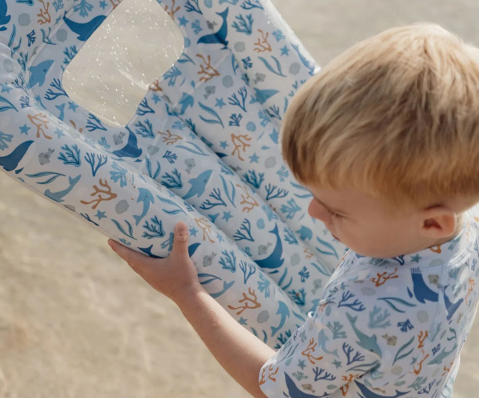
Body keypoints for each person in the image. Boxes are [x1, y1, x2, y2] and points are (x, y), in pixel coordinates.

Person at [109, 22, 479, 398]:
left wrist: (187, 292)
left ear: (431, 222)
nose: (314, 212)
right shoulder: (468, 226)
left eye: (338, 211)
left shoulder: (362, 312)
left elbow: (271, 388)